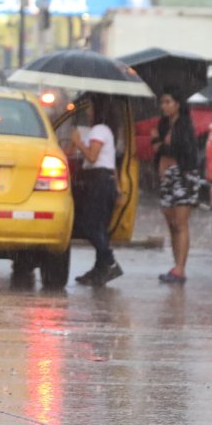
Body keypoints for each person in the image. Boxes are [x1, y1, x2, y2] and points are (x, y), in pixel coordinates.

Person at [70, 94, 123, 286]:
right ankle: (100, 269)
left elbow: (92, 157)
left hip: (99, 181)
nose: (87, 111)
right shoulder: (104, 130)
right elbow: (110, 163)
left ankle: (108, 261)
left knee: (90, 225)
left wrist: (78, 142)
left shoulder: (99, 130)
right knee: (99, 227)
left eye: (91, 107)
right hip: (104, 180)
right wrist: (117, 188)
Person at [153, 88, 201, 284]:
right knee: (172, 224)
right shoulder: (163, 124)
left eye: (168, 102)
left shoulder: (184, 127)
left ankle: (180, 268)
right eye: (162, 102)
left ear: (178, 104)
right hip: (167, 178)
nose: (164, 106)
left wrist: (157, 141)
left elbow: (175, 150)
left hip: (182, 176)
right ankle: (176, 266)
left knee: (181, 224)